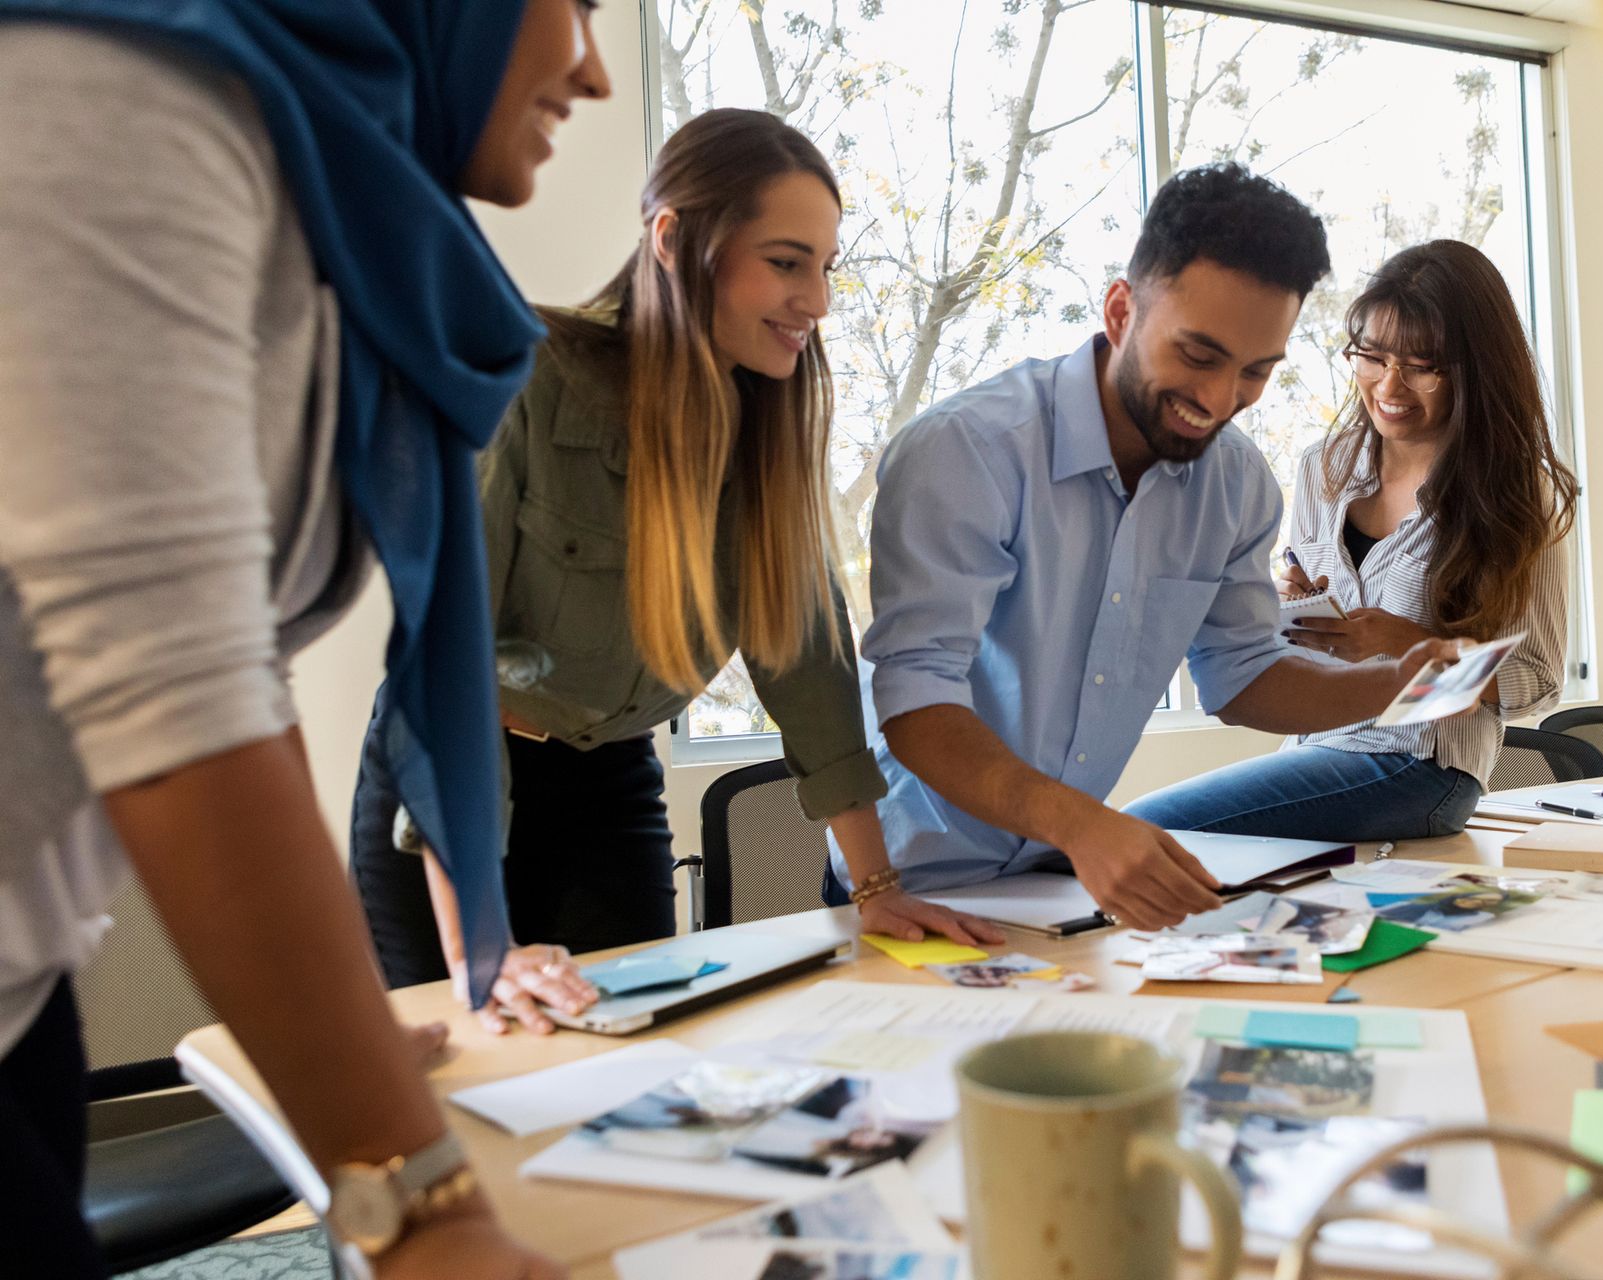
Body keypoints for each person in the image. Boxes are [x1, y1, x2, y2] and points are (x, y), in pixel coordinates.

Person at [0, 2, 610, 1275]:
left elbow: (236, 660)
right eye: (582, 4)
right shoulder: (121, 94)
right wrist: (424, 1202)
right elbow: (182, 705)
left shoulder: (313, 182)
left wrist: (348, 1052)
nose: (593, 72)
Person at [349, 108, 1000, 1032]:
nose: (816, 300)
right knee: (471, 1062)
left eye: (825, 267)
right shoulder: (527, 381)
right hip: (451, 783)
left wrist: (877, 888)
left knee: (628, 1054)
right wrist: (477, 949)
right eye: (786, 261)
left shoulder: (769, 437)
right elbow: (441, 669)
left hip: (606, 787)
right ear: (674, 240)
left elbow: (810, 671)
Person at [841, 164, 1460, 934]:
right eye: (1198, 356)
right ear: (1119, 310)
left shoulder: (1235, 485)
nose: (1220, 399)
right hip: (908, 886)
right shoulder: (969, 451)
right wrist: (1081, 825)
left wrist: (1386, 684)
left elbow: (1243, 676)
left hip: (1056, 886)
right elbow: (915, 699)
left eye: (1256, 371)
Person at [1124, 240, 1576, 842]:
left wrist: (1408, 643)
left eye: (1422, 365)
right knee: (1137, 837)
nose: (1389, 384)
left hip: (1421, 766)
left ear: (1475, 368)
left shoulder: (1517, 494)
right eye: (1372, 356)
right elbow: (1297, 652)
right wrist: (1292, 609)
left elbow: (1538, 680)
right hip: (1315, 743)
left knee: (1143, 831)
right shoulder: (1324, 468)